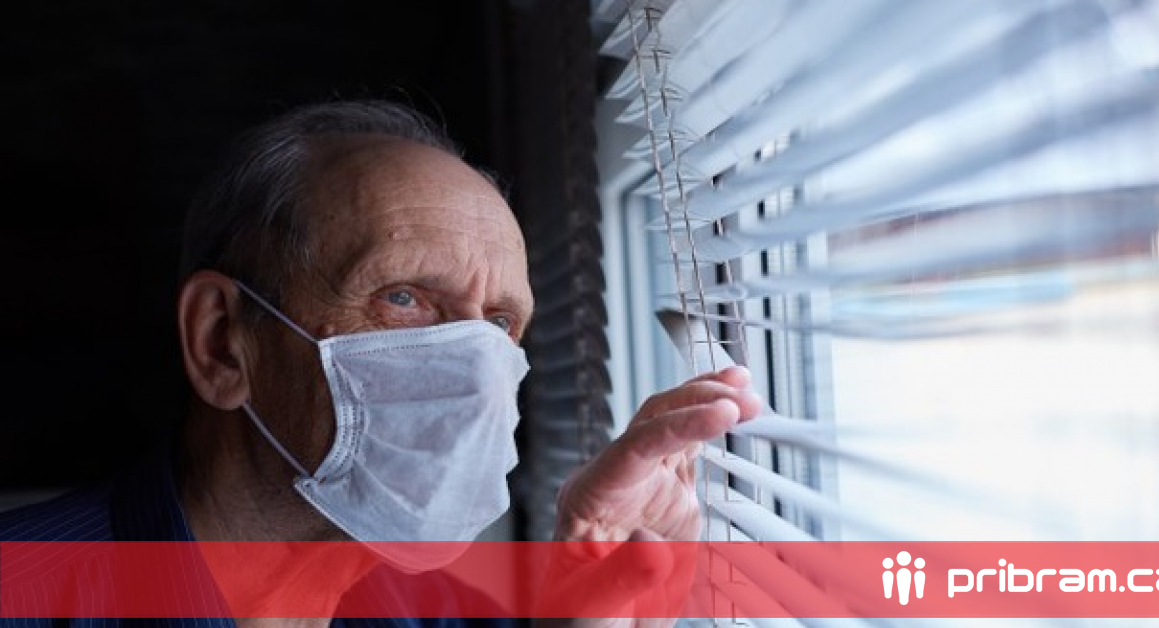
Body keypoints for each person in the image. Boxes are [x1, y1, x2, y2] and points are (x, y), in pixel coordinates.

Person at [0, 100, 761, 627]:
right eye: (403, 297)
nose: (477, 370)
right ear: (223, 342)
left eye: (500, 324)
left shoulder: (436, 613)